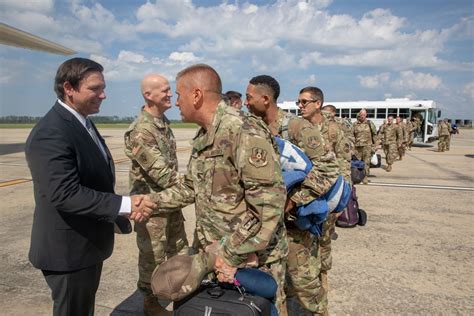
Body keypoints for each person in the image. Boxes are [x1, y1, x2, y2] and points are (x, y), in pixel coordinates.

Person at [148, 64, 289, 315]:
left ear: (196, 95)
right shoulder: (206, 135)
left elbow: (268, 207)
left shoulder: (243, 131)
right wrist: (149, 202)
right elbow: (191, 187)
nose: (176, 102)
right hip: (215, 254)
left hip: (251, 260)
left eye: (179, 95)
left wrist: (226, 253)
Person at [24, 57, 155, 316]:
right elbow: (66, 193)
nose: (103, 95)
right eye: (95, 88)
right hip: (67, 252)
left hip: (85, 247)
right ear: (68, 88)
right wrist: (126, 204)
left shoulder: (81, 121)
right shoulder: (51, 132)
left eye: (103, 87)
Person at [246, 76, 340, 316]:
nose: (245, 103)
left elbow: (328, 168)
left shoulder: (296, 127)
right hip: (267, 227)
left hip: (294, 225)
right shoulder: (253, 128)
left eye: (249, 98)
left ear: (265, 99)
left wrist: (294, 201)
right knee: (273, 288)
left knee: (304, 285)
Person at [124, 74, 189, 315]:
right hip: (152, 210)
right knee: (153, 259)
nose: (170, 94)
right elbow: (162, 174)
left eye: (170, 90)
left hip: (171, 204)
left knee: (180, 253)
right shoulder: (141, 130)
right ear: (148, 95)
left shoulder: (162, 124)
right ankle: (151, 304)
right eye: (164, 90)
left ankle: (179, 296)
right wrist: (196, 186)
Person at [296, 87, 349, 313]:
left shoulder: (335, 130)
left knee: (323, 243)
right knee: (304, 243)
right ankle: (307, 285)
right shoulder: (297, 129)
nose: (300, 106)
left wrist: (340, 204)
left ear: (318, 104)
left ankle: (322, 280)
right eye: (298, 102)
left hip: (327, 198)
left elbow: (344, 166)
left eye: (305, 102)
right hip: (305, 197)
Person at [352, 109, 378, 184]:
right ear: (359, 115)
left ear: (366, 115)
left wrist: (376, 145)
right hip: (357, 147)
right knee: (357, 162)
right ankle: (357, 176)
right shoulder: (355, 124)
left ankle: (365, 177)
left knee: (366, 162)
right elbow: (351, 135)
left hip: (367, 147)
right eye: (361, 114)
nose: (362, 116)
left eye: (364, 115)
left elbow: (375, 135)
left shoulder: (370, 123)